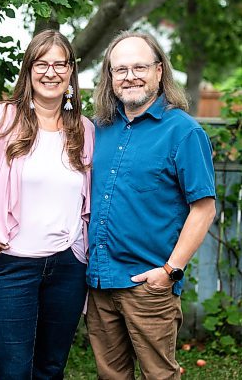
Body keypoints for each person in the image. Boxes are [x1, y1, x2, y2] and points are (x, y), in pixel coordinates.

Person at [0, 29, 94, 380]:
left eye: (61, 64)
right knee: (13, 371)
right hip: (8, 266)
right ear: (28, 70)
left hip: (66, 268)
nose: (51, 72)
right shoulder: (0, 120)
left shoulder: (84, 129)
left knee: (50, 368)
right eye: (42, 64)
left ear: (71, 74)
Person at [86, 31, 216, 380]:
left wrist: (170, 270)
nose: (130, 76)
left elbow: (204, 209)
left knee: (159, 376)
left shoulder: (184, 132)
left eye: (139, 67)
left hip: (148, 285)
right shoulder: (98, 129)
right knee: (110, 376)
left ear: (159, 71)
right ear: (110, 77)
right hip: (100, 284)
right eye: (120, 69)